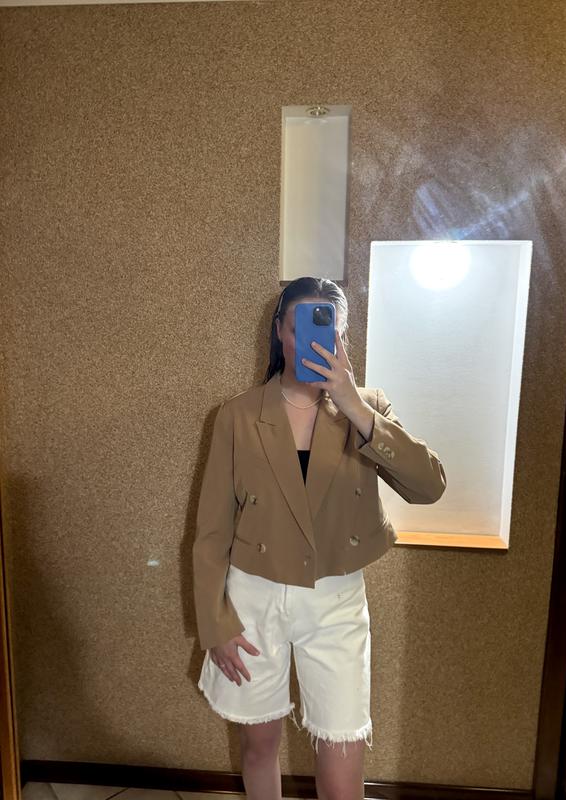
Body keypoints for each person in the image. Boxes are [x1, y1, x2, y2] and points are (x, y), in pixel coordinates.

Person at [192, 276, 446, 800]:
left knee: (342, 761)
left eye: (327, 328)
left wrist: (354, 405)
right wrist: (214, 623)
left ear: (342, 338)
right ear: (280, 331)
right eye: (299, 326)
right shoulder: (238, 415)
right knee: (260, 745)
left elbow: (429, 486)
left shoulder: (367, 409)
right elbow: (212, 529)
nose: (310, 339)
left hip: (336, 601)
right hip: (254, 596)